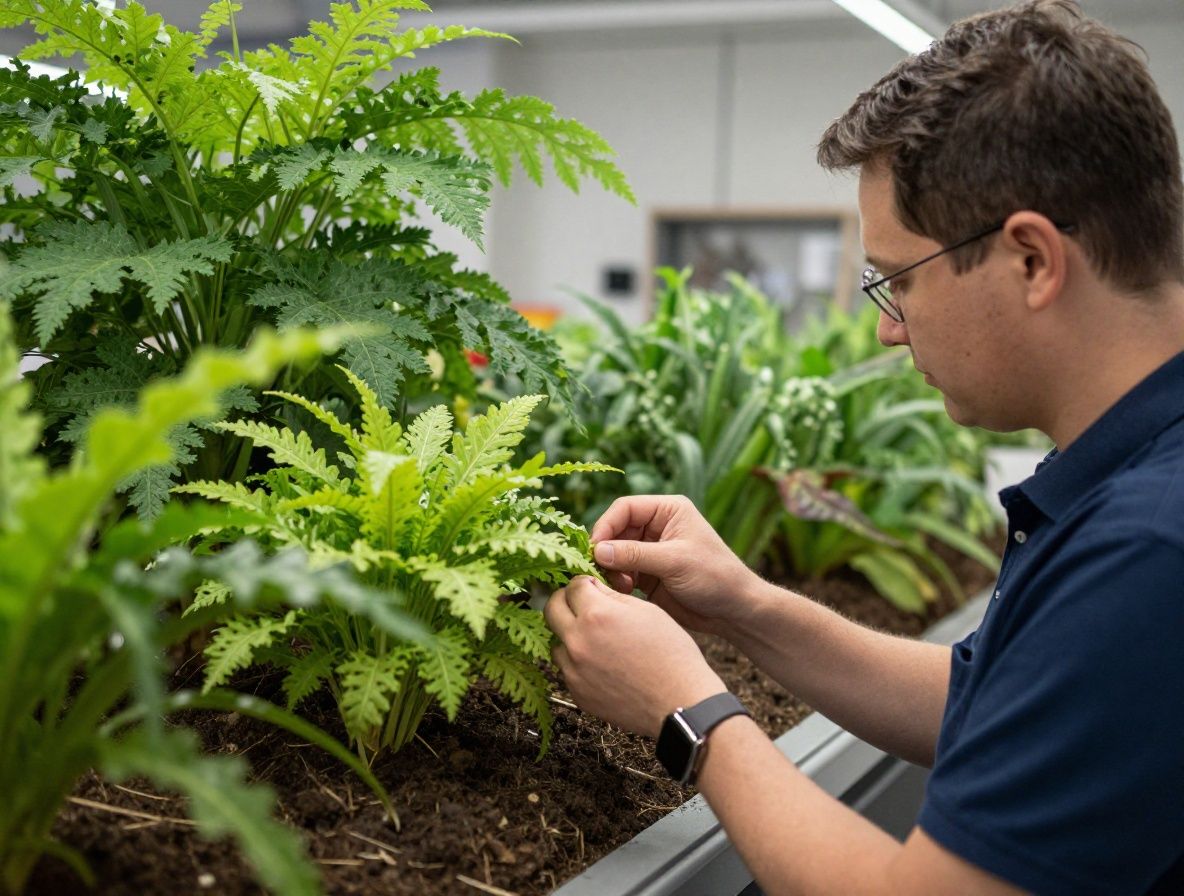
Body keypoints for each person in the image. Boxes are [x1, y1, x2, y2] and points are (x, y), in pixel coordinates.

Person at [543, 1, 1184, 893]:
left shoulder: (1149, 550)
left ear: (1031, 260)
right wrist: (743, 607)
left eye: (899, 281)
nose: (888, 330)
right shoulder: (1144, 477)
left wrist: (688, 714)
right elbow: (992, 702)